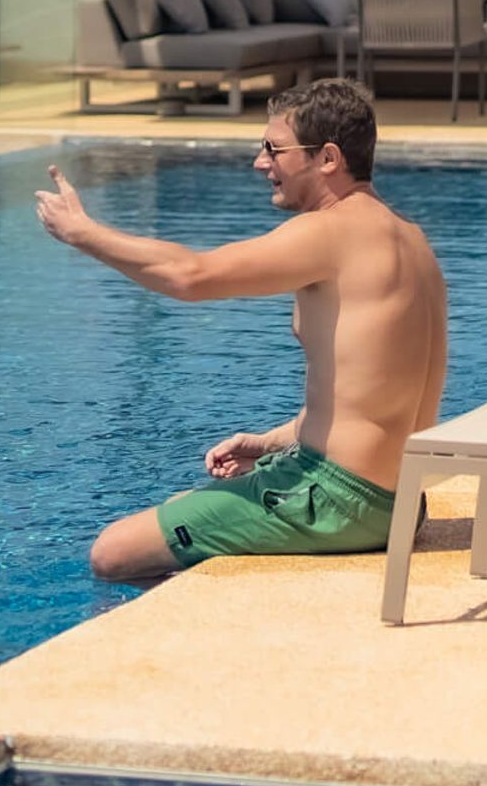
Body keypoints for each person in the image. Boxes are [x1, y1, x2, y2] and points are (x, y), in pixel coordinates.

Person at [35, 78, 449, 581]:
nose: (260, 162)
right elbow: (376, 396)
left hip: (341, 502)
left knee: (114, 552)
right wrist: (272, 441)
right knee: (184, 509)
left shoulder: (331, 230)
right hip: (403, 500)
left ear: (328, 159)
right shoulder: (411, 238)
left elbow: (191, 276)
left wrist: (84, 234)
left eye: (274, 149)